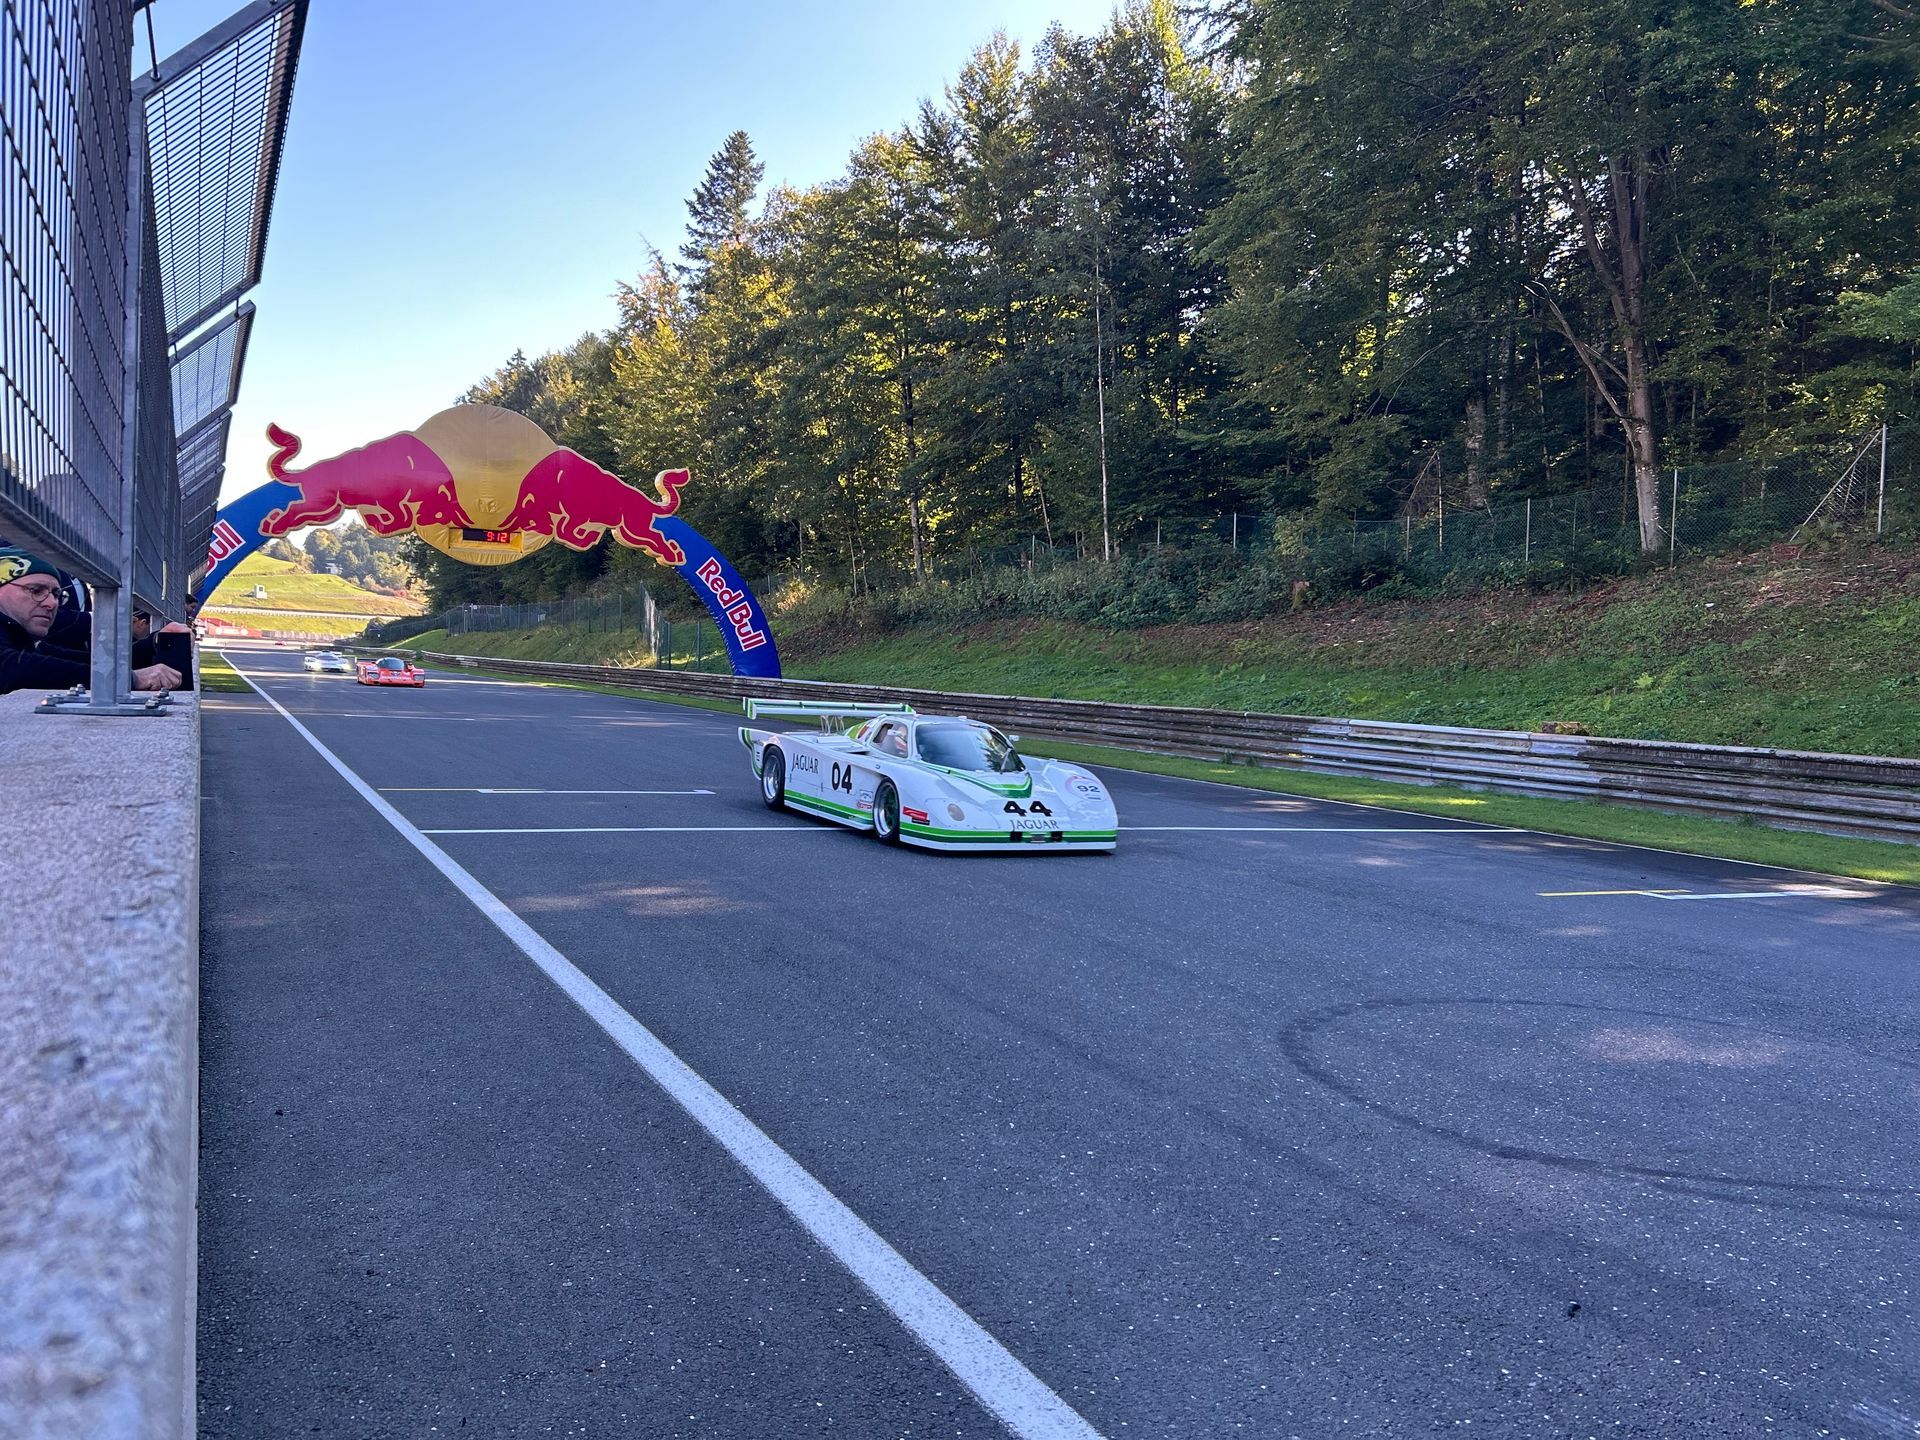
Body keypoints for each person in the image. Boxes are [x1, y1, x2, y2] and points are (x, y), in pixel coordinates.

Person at [0, 546, 183, 694]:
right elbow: (10, 668)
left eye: (56, 594)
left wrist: (155, 641)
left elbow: (89, 662)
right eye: (36, 590)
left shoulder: (24, 641)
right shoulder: (12, 651)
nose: (52, 603)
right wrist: (126, 680)